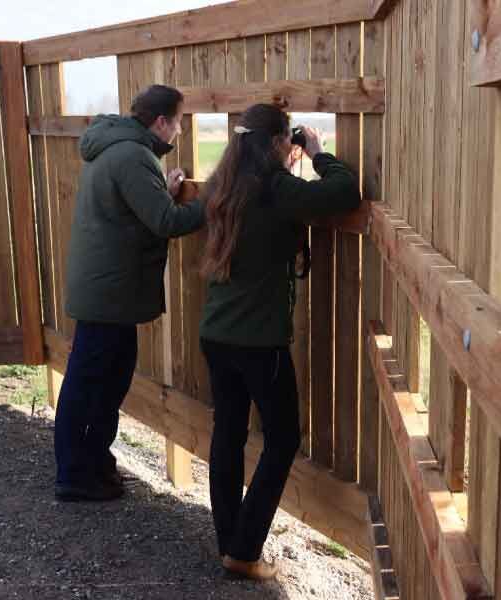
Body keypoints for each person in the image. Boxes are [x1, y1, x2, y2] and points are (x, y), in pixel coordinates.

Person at [199, 104, 360, 580]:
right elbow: (343, 192)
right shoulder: (275, 188)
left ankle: (230, 542)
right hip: (258, 342)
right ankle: (245, 550)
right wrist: (317, 153)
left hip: (217, 333)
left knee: (227, 435)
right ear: (276, 142)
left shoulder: (223, 185)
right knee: (283, 436)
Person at [54, 85, 205, 502]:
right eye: (178, 123)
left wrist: (165, 192)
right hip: (109, 295)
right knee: (92, 383)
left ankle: (92, 464)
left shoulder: (119, 149)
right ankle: (74, 474)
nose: (178, 132)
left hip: (105, 290)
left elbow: (136, 210)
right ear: (161, 122)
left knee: (103, 380)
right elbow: (164, 222)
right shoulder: (133, 156)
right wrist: (215, 202)